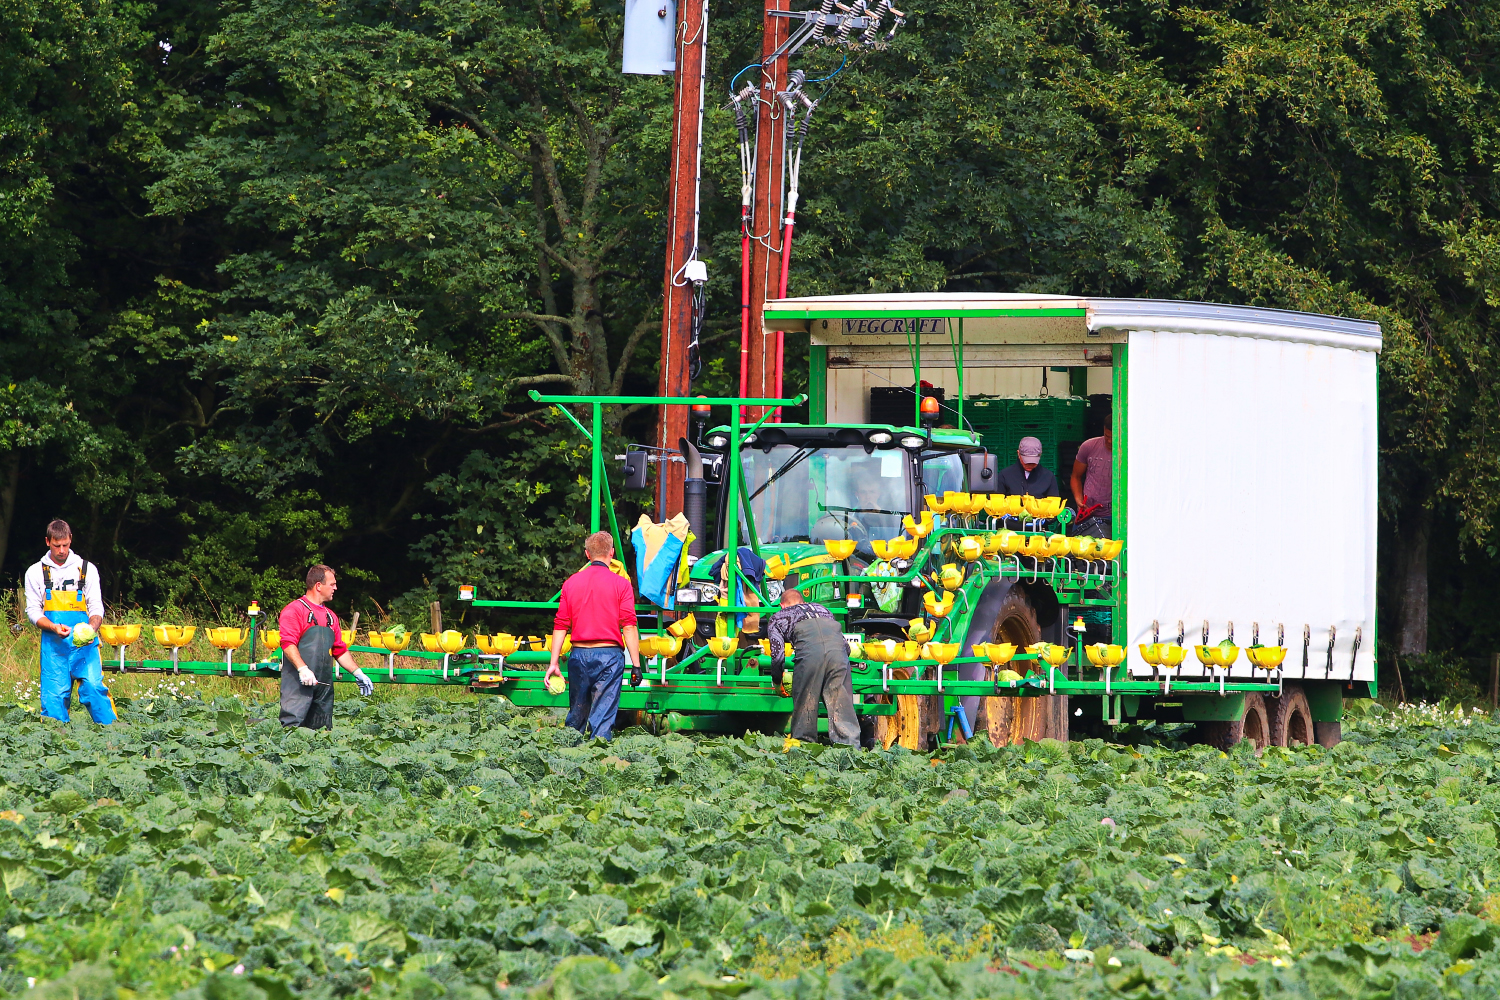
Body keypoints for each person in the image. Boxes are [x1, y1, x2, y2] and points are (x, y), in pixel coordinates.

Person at [546, 531, 640, 741]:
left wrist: (553, 663)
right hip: (609, 657)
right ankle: (597, 763)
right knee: (602, 720)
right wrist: (636, 664)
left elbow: (561, 624)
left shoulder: (571, 583)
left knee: (576, 717)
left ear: (587, 554)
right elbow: (629, 626)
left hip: (578, 656)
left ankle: (568, 762)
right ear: (612, 553)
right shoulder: (621, 584)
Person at [24, 519, 115, 724]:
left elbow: (96, 608)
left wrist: (91, 628)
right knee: (54, 702)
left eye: (65, 544)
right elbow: (33, 611)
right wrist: (53, 627)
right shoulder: (35, 572)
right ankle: (58, 746)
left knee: (94, 689)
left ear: (71, 539)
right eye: (57, 545)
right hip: (54, 649)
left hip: (85, 647)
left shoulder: (86, 569)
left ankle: (113, 738)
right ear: (48, 542)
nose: (62, 550)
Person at [277, 564, 374, 729]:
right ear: (318, 586)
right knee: (293, 731)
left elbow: (339, 650)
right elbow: (288, 644)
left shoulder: (331, 617)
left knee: (322, 734)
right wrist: (303, 669)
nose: (335, 588)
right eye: (332, 584)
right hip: (298, 685)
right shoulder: (295, 610)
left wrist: (358, 672)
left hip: (323, 689)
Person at [765, 589, 860, 746]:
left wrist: (777, 682)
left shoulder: (778, 617)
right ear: (803, 601)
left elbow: (777, 656)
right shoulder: (823, 610)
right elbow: (846, 647)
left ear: (782, 605)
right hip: (838, 655)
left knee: (806, 702)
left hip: (810, 656)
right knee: (841, 704)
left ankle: (804, 748)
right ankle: (849, 749)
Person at [1070, 423, 1113, 536]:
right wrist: (1079, 500)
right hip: (1086, 512)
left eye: (1113, 438)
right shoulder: (1089, 446)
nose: (1109, 441)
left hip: (1113, 515)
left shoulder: (1129, 451)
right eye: (1107, 436)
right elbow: (1075, 476)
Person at [994, 436, 1060, 499]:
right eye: (1027, 461)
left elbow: (1053, 503)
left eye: (1033, 462)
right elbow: (996, 502)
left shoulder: (1048, 476)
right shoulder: (1005, 475)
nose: (1030, 464)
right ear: (1018, 454)